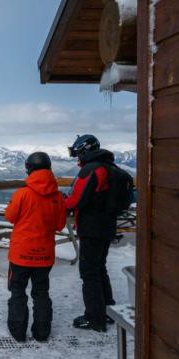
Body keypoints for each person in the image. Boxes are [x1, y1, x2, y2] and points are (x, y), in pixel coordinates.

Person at [5, 152, 66, 342]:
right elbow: (59, 224)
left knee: (17, 291)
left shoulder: (22, 193)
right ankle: (42, 333)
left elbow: (10, 216)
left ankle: (18, 332)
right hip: (44, 254)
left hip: (21, 254)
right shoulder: (57, 196)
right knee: (41, 292)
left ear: (28, 168)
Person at [65, 134, 117, 332]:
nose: (77, 158)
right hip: (107, 225)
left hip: (91, 228)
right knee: (100, 268)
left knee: (89, 273)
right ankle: (109, 311)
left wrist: (63, 202)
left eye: (77, 153)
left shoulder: (90, 170)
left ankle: (95, 318)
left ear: (85, 150)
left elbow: (76, 200)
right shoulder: (109, 167)